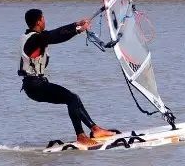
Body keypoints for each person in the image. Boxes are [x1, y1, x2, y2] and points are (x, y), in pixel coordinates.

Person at [19, 8, 118, 144]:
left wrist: (76, 24)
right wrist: (77, 30)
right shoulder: (35, 39)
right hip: (35, 85)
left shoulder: (34, 37)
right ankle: (81, 136)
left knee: (73, 98)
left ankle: (95, 129)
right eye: (43, 18)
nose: (44, 21)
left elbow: (55, 33)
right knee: (71, 99)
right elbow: (56, 35)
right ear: (38, 21)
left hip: (36, 85)